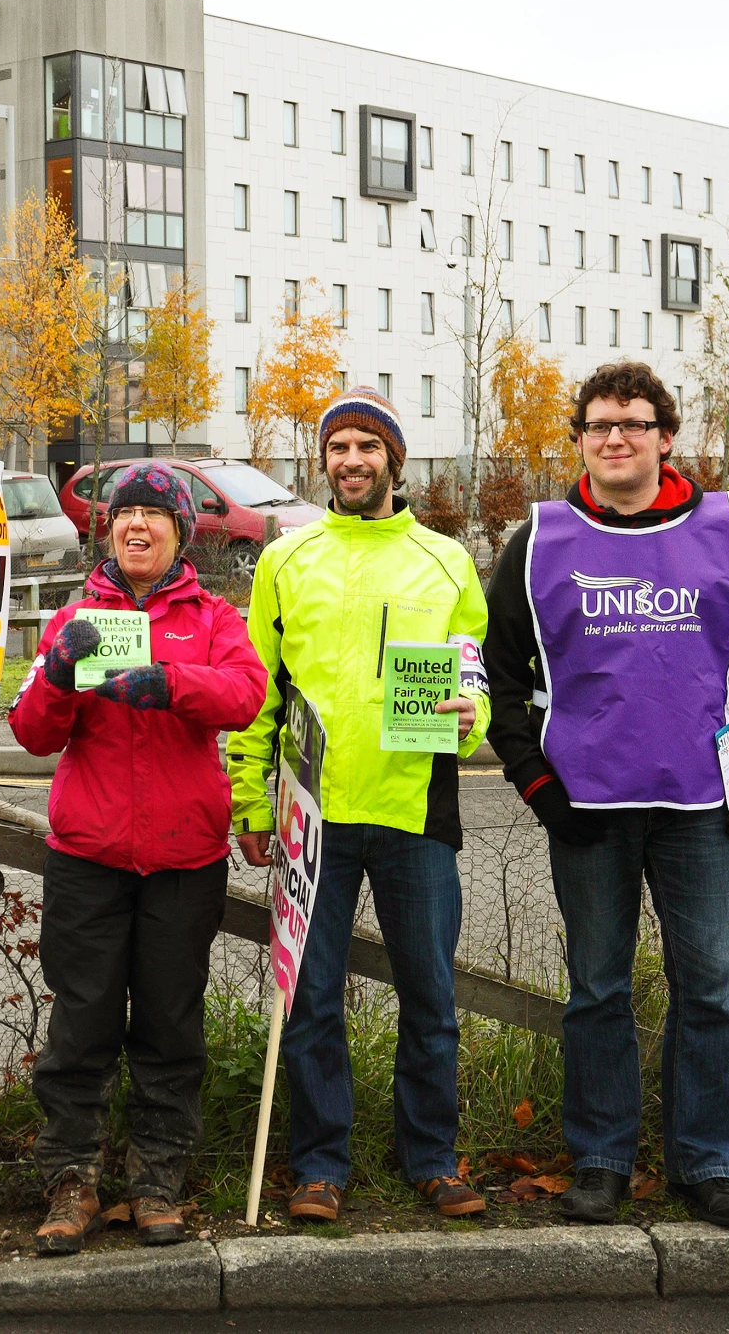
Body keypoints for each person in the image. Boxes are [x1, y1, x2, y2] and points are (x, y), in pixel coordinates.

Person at [483, 361, 729, 1229]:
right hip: (586, 806)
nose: (615, 437)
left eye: (634, 422)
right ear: (580, 437)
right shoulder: (539, 542)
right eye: (598, 424)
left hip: (701, 805)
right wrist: (537, 782)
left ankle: (706, 1163)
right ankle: (603, 1159)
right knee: (597, 990)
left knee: (713, 990)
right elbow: (501, 676)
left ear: (664, 435)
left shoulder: (726, 531)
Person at [229, 388, 491, 1222]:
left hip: (416, 812)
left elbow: (471, 673)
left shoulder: (446, 560)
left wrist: (470, 714)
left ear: (394, 461)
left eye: (366, 447)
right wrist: (253, 803)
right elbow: (257, 696)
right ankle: (320, 1165)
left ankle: (432, 1158)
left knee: (430, 996)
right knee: (308, 1000)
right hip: (315, 818)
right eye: (338, 446)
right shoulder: (286, 560)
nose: (350, 460)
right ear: (324, 460)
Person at [8, 463, 268, 1251]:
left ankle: (157, 1174)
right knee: (81, 1024)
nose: (139, 527)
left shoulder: (215, 617)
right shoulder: (73, 618)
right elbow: (32, 731)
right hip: (90, 858)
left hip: (184, 860)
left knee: (168, 1024)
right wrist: (57, 674)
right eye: (126, 516)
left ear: (182, 532)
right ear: (109, 529)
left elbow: (247, 694)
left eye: (156, 516)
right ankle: (72, 1177)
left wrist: (169, 682)